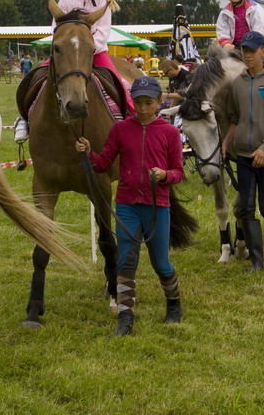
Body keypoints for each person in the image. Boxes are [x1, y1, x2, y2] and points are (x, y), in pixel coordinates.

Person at [75, 76, 184, 336]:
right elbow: (103, 164)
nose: (143, 108)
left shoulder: (170, 132)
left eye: (148, 103)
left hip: (158, 206)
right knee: (126, 261)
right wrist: (88, 152)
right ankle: (125, 316)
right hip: (126, 204)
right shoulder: (121, 129)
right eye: (138, 103)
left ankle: (174, 304)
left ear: (159, 102)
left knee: (161, 263)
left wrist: (164, 176)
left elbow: (178, 172)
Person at [15, 0, 131, 143]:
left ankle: (131, 117)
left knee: (120, 85)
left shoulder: (104, 2)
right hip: (67, 53)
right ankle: (24, 119)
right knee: (34, 80)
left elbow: (104, 31)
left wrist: (88, 47)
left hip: (96, 53)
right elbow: (56, 29)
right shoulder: (67, 0)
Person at [221, 31, 264, 272]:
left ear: (263, 50)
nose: (247, 55)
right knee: (245, 208)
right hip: (244, 154)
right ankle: (257, 261)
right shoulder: (238, 82)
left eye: (252, 50)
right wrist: (227, 141)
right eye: (244, 50)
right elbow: (234, 116)